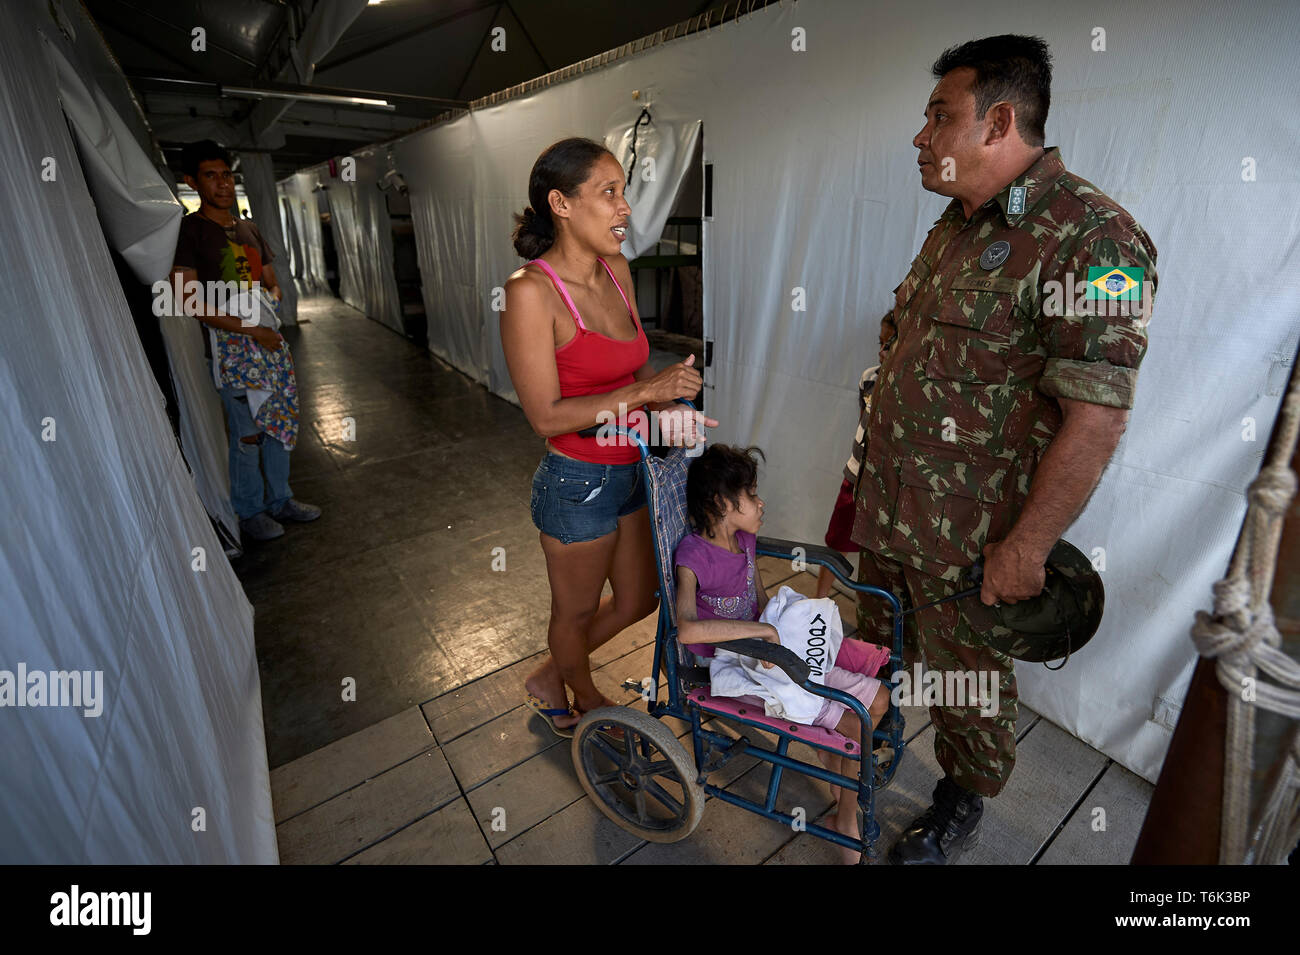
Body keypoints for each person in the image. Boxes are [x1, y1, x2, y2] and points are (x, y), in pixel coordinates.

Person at [851, 35, 1158, 864]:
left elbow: (1096, 419)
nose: (920, 135)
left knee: (966, 687)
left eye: (937, 116)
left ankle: (961, 798)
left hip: (970, 543)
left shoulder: (1098, 242)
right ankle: (867, 743)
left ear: (998, 122)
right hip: (890, 513)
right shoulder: (954, 227)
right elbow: (902, 350)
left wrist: (1023, 548)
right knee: (876, 646)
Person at [500, 137, 718, 734]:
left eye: (625, 193)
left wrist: (666, 401)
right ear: (561, 204)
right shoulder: (529, 292)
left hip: (634, 468)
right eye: (609, 193)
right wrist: (645, 396)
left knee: (638, 599)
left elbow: (631, 372)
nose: (625, 209)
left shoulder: (617, 271)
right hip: (577, 480)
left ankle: (550, 673)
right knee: (571, 613)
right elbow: (546, 416)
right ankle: (581, 695)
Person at [675, 444, 891, 864]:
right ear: (723, 503)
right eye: (752, 495)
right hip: (727, 665)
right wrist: (765, 631)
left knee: (879, 698)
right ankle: (846, 820)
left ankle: (838, 774)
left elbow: (758, 598)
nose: (761, 503)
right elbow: (686, 628)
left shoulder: (744, 540)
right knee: (857, 722)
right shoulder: (693, 555)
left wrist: (781, 625)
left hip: (767, 653)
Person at [171, 140, 320, 542]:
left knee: (277, 424)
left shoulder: (248, 228)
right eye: (210, 176)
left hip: (268, 342)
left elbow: (271, 282)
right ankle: (250, 511)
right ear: (192, 182)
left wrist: (265, 302)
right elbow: (186, 298)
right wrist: (248, 326)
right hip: (231, 348)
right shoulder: (191, 231)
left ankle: (281, 500)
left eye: (226, 175)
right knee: (247, 432)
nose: (221, 184)